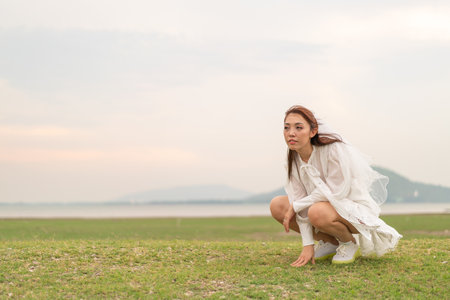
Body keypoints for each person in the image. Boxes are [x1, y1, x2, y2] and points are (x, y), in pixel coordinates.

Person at [270, 105, 402, 267]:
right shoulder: (292, 159)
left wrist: (297, 205)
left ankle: (349, 243)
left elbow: (335, 192)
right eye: (286, 128)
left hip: (350, 210)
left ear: (313, 131)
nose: (291, 133)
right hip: (320, 209)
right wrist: (307, 245)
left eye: (299, 127)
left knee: (315, 211)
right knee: (278, 205)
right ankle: (330, 243)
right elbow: (299, 200)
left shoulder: (332, 150)